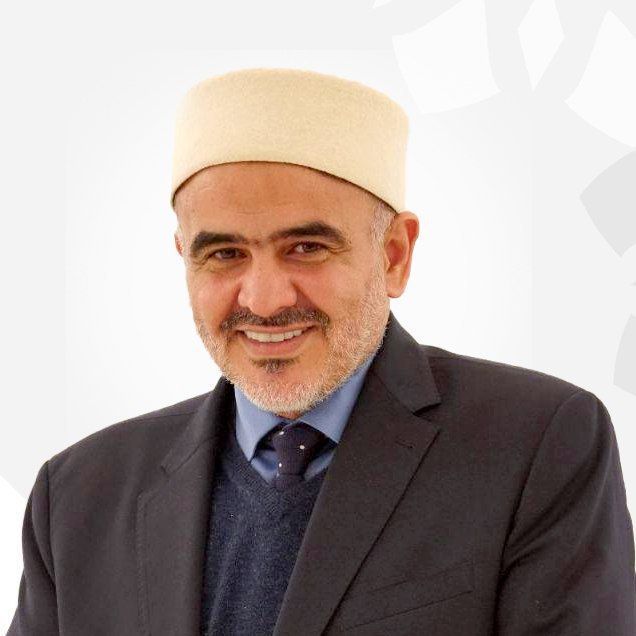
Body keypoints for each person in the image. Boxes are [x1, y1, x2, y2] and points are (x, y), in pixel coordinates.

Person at [8, 68, 635, 636]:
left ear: (394, 255)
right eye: (224, 254)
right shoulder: (79, 497)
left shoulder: (536, 446)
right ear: (185, 260)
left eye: (306, 248)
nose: (264, 299)